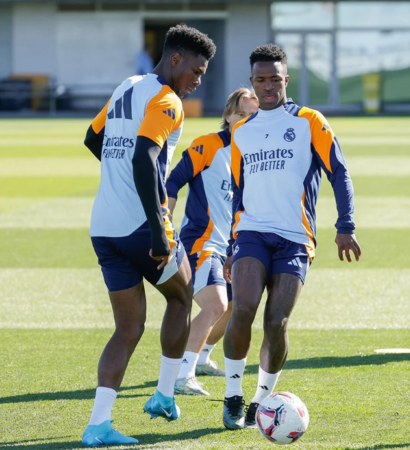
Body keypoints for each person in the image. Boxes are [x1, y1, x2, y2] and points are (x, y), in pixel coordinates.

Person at [81, 25, 216, 447]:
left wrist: (117, 176)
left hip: (103, 226)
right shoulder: (167, 99)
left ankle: (98, 426)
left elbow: (93, 137)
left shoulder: (128, 85)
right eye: (196, 70)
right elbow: (144, 157)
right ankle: (162, 395)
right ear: (175, 59)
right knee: (182, 295)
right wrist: (158, 232)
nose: (197, 80)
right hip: (141, 227)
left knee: (128, 328)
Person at [221, 44, 361, 430]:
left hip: (295, 239)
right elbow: (238, 192)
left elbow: (340, 173)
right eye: (261, 80)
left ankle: (261, 400)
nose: (268, 86)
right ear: (252, 82)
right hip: (251, 233)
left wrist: (345, 225)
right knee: (243, 308)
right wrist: (233, 246)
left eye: (275, 79)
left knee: (276, 322)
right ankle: (233, 396)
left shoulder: (309, 121)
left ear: (286, 79)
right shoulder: (241, 133)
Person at [165, 88, 259, 396]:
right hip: (201, 242)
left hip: (232, 249)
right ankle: (182, 375)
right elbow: (173, 182)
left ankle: (202, 357)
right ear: (228, 116)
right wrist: (164, 229)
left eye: (252, 115)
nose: (246, 120)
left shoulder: (254, 157)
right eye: (241, 114)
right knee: (216, 304)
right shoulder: (208, 145)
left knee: (235, 306)